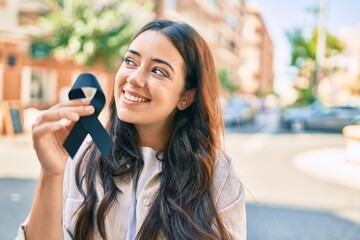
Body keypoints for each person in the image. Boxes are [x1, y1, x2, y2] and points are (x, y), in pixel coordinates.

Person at [17, 19, 246, 240]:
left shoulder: (217, 174)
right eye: (130, 61)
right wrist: (51, 173)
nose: (135, 78)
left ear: (186, 97)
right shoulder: (81, 157)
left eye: (159, 71)